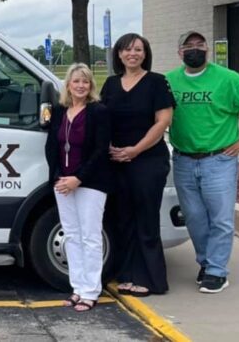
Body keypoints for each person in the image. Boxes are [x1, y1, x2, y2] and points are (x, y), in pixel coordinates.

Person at [167, 31, 239, 294]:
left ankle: (216, 271)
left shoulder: (228, 78)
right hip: (183, 160)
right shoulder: (169, 81)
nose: (194, 49)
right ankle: (206, 263)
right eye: (188, 46)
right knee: (194, 218)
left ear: (207, 49)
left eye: (199, 45)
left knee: (221, 219)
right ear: (180, 52)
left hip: (220, 160)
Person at [100, 33, 174, 297]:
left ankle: (150, 279)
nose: (133, 54)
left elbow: (162, 121)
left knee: (146, 219)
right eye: (127, 49)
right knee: (123, 219)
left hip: (148, 160)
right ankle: (127, 275)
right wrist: (108, 146)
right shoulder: (110, 84)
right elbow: (102, 119)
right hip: (117, 160)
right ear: (119, 54)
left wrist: (135, 150)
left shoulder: (156, 82)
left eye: (139, 50)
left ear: (145, 54)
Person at [45, 63, 112, 312]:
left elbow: (100, 151)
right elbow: (52, 145)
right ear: (68, 85)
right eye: (76, 81)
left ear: (91, 85)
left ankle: (91, 291)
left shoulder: (99, 112)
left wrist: (78, 178)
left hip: (90, 183)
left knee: (90, 236)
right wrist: (58, 176)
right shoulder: (61, 111)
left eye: (85, 81)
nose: (81, 86)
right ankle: (77, 288)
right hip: (63, 182)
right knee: (71, 235)